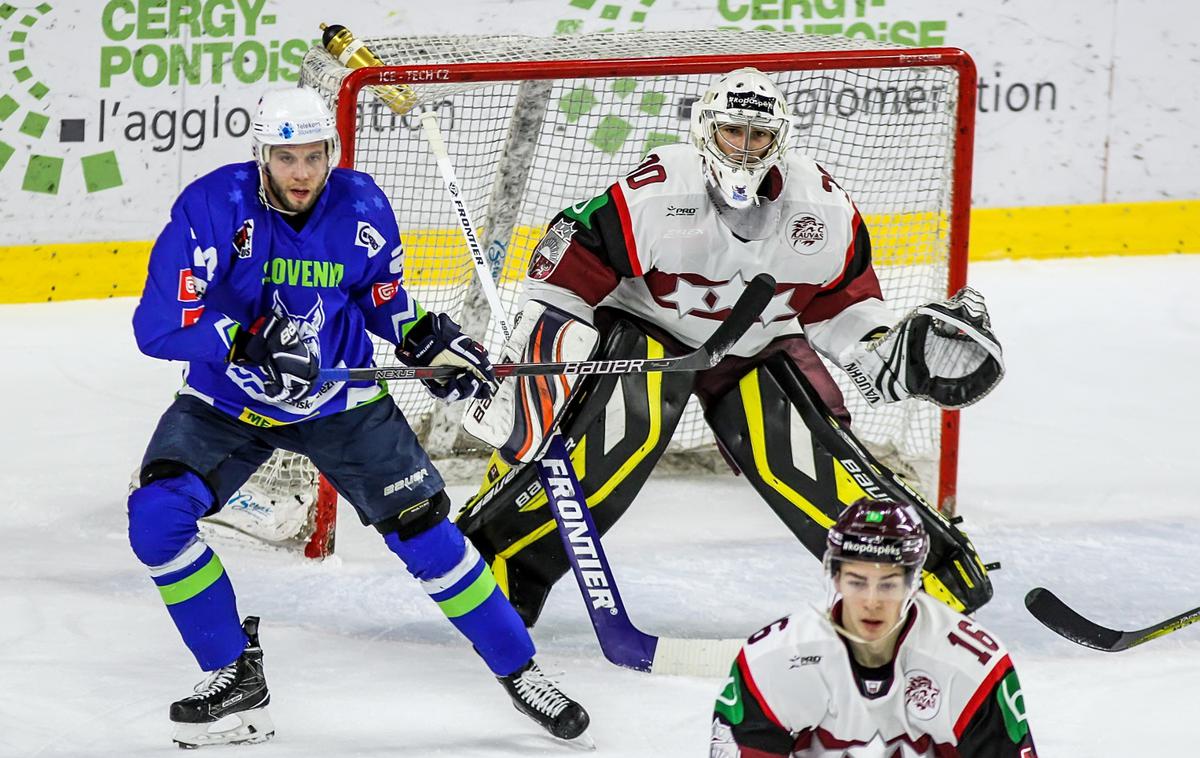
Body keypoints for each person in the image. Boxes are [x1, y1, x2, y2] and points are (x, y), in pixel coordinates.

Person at [456, 67, 1005, 627]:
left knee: (817, 458)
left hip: (759, 343)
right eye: (732, 132)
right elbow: (566, 273)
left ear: (780, 138)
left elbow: (842, 303)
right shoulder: (659, 193)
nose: (745, 150)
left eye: (759, 135)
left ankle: (918, 576)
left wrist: (883, 351)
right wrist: (544, 357)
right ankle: (497, 563)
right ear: (704, 132)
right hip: (650, 333)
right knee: (610, 444)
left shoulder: (824, 211)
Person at [127, 86, 589, 748]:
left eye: (314, 156)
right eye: (285, 158)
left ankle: (523, 674)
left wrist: (429, 341)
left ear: (331, 152)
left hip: (340, 402)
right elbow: (158, 324)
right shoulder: (211, 206)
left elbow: (383, 302)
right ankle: (233, 672)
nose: (302, 174)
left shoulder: (363, 204)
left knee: (429, 537)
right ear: (262, 155)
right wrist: (241, 341)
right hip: (228, 400)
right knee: (157, 517)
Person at [709, 499, 1037, 756]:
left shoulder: (969, 664)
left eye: (888, 584)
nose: (871, 601)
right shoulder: (773, 659)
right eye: (857, 581)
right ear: (835, 578)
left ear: (912, 584)